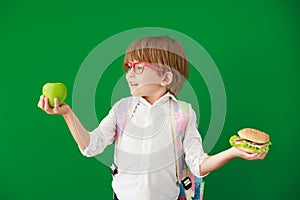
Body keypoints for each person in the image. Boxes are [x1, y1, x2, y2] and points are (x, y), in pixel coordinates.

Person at [37, 36, 267, 200]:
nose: (129, 74)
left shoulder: (183, 113)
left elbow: (198, 166)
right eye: (128, 67)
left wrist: (234, 152)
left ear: (166, 77)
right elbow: (91, 147)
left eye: (138, 67)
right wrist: (67, 113)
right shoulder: (122, 109)